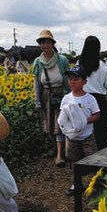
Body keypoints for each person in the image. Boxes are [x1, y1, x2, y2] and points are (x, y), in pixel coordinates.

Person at [57, 66, 100, 195]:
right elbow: (63, 116)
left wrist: (84, 121)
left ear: (84, 82)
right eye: (70, 79)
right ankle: (77, 183)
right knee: (74, 161)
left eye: (76, 79)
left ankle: (96, 184)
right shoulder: (66, 98)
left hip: (87, 136)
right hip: (72, 138)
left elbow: (97, 115)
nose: (72, 82)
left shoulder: (90, 99)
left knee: (92, 160)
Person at [32, 29, 70, 167]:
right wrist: (38, 101)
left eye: (48, 42)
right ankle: (58, 149)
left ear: (52, 44)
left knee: (60, 123)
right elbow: (37, 83)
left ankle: (60, 155)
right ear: (40, 45)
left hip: (60, 94)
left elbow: (67, 80)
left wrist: (70, 97)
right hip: (46, 95)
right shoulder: (38, 62)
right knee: (48, 124)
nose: (45, 46)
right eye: (42, 43)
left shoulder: (62, 60)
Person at [78, 35, 107, 150]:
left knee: (83, 128)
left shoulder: (79, 63)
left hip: (82, 99)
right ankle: (102, 157)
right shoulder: (104, 66)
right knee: (101, 131)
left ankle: (84, 157)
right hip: (99, 100)